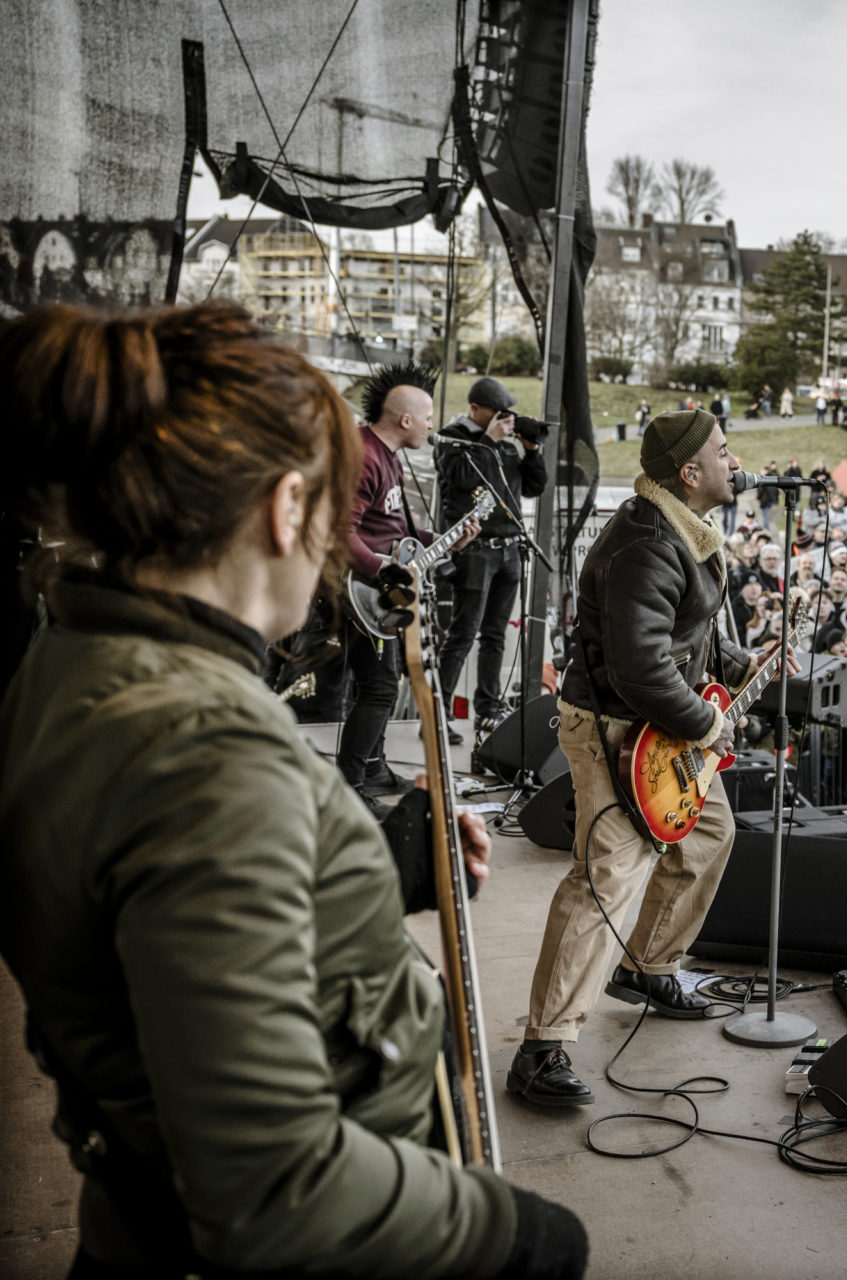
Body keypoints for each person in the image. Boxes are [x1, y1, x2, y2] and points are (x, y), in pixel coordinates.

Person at [0, 302, 583, 1277]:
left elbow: (156, 904)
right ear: (284, 511)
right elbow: (278, 1191)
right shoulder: (206, 749)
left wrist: (371, 862)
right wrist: (514, 1234)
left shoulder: (79, 654)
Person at [513, 409, 775, 1107]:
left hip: (661, 729)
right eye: (724, 451)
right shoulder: (647, 544)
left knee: (711, 832)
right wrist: (707, 724)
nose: (735, 459)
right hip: (617, 729)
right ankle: (543, 1047)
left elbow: (689, 634)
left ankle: (648, 965)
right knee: (607, 875)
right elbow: (641, 668)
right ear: (691, 473)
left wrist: (742, 666)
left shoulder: (685, 530)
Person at [338, 362, 480, 802]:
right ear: (405, 420)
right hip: (360, 590)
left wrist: (444, 540)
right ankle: (350, 786)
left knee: (383, 682)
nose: (432, 427)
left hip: (381, 590)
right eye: (429, 419)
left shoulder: (390, 458)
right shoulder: (363, 455)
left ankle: (376, 771)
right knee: (379, 687)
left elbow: (395, 531)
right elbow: (337, 532)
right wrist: (381, 569)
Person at [435, 375, 546, 744]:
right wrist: (489, 441)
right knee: (462, 633)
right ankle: (438, 715)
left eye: (507, 413)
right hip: (475, 549)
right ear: (476, 409)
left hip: (510, 549)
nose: (504, 419)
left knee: (495, 635)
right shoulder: (454, 439)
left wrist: (530, 449)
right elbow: (461, 478)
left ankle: (488, 710)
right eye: (497, 412)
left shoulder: (503, 445)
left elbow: (533, 487)